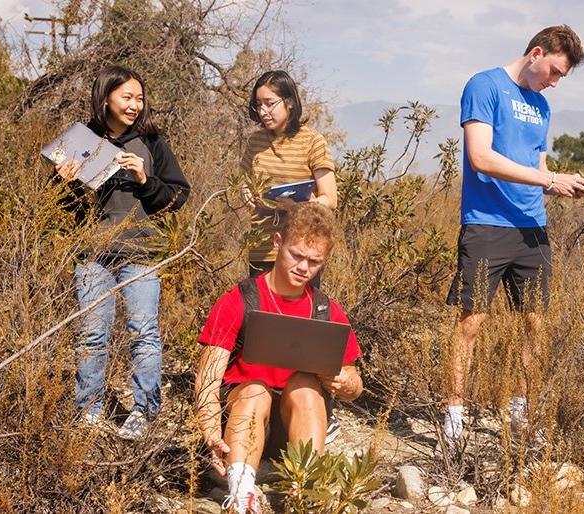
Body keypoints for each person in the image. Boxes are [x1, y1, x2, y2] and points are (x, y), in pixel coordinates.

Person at [443, 25, 584, 444]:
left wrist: (562, 184)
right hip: (487, 223)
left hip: (532, 228)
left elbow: (538, 168)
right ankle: (454, 418)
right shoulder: (484, 85)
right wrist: (547, 180)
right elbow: (480, 157)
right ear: (536, 53)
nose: (554, 81)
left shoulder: (542, 106)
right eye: (554, 71)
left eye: (561, 76)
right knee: (471, 322)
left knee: (535, 324)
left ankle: (519, 414)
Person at [194, 203, 362, 514]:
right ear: (277, 243)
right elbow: (207, 378)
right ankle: (242, 495)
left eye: (314, 262)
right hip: (242, 421)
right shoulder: (239, 300)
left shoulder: (326, 310)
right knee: (255, 388)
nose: (303, 267)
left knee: (306, 387)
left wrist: (343, 381)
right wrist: (210, 433)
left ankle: (305, 493)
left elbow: (354, 384)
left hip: (294, 427)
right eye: (296, 255)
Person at [54, 65, 190, 439]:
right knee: (92, 334)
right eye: (126, 97)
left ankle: (144, 411)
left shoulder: (152, 142)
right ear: (106, 97)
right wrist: (63, 182)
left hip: (140, 252)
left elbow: (177, 196)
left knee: (143, 331)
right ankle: (89, 411)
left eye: (139, 98)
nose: (134, 105)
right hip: (93, 253)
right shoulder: (81, 139)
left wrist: (146, 179)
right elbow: (64, 210)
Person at [240, 69, 342, 440]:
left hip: (300, 251)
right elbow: (245, 189)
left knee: (303, 331)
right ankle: (260, 403)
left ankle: (311, 409)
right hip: (263, 244)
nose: (263, 111)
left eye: (270, 103)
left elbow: (329, 197)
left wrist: (307, 205)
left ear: (289, 102)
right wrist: (249, 199)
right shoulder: (253, 143)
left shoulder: (313, 141)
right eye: (258, 104)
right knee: (261, 326)